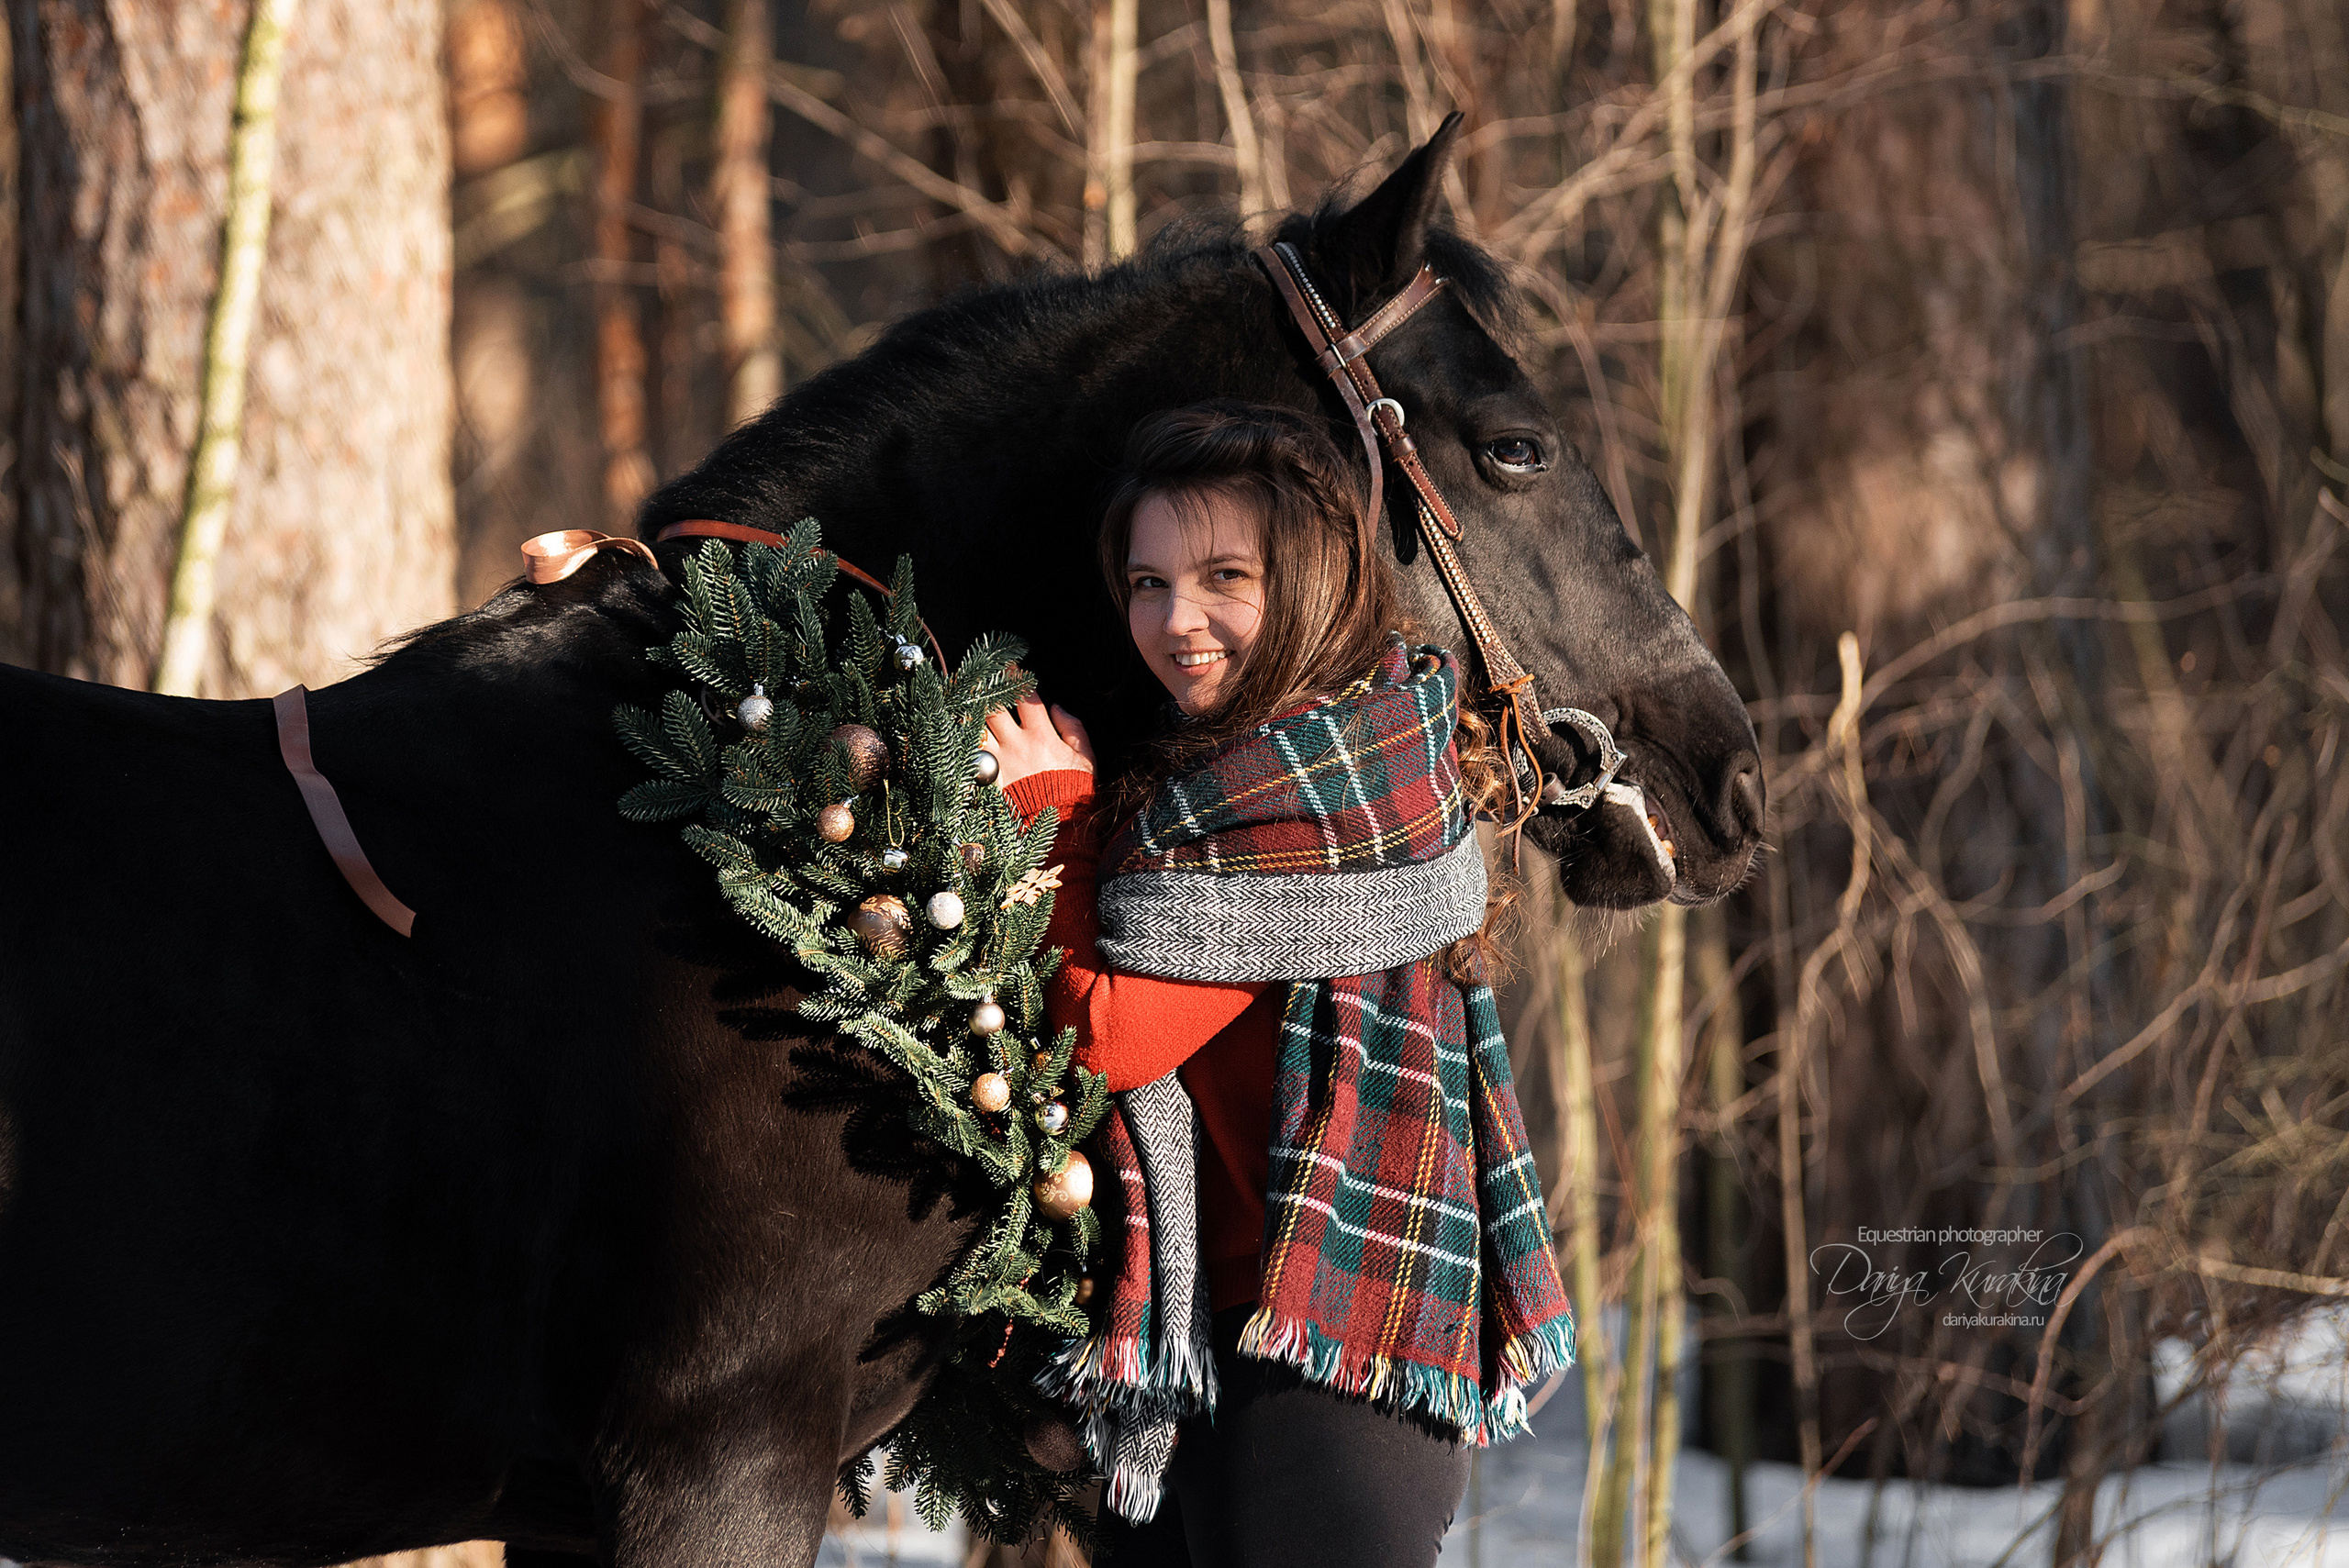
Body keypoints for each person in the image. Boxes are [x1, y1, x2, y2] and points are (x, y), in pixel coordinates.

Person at [984, 402, 1572, 1567]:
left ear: (1306, 578)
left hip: (1327, 1356)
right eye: (1147, 582)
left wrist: (1052, 815)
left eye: (1222, 575)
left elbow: (1108, 1038)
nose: (1176, 620)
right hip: (1208, 1342)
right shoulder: (1215, 779)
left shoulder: (1309, 799)